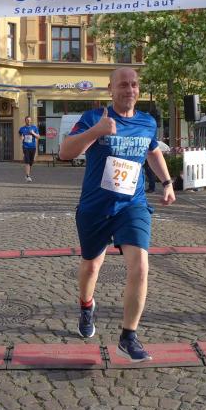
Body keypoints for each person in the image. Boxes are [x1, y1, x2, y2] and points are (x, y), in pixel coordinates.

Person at [59, 67, 175, 363]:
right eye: (123, 84)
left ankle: (128, 337)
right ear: (110, 89)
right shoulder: (93, 118)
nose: (129, 89)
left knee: (141, 266)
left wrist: (167, 182)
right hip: (95, 207)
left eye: (134, 84)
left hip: (131, 205)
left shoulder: (147, 122)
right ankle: (87, 306)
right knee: (91, 267)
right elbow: (65, 152)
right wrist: (96, 132)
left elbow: (152, 151)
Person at [19, 116, 40, 182]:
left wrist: (33, 133)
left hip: (33, 147)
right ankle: (28, 176)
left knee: (31, 162)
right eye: (27, 120)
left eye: (29, 120)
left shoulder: (34, 128)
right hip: (25, 147)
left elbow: (38, 137)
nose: (28, 121)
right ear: (25, 121)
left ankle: (28, 174)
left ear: (31, 121)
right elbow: (20, 136)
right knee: (27, 161)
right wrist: (21, 138)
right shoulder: (22, 129)